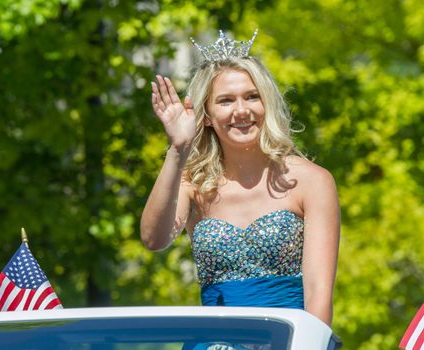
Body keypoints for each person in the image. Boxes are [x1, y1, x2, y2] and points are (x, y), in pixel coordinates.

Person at [140, 29, 340, 327]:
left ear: (266, 103)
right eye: (225, 101)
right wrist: (178, 149)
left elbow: (318, 294)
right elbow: (154, 239)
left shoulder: (311, 181)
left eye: (251, 97)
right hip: (214, 341)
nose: (242, 110)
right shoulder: (192, 181)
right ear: (205, 115)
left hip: (286, 340)